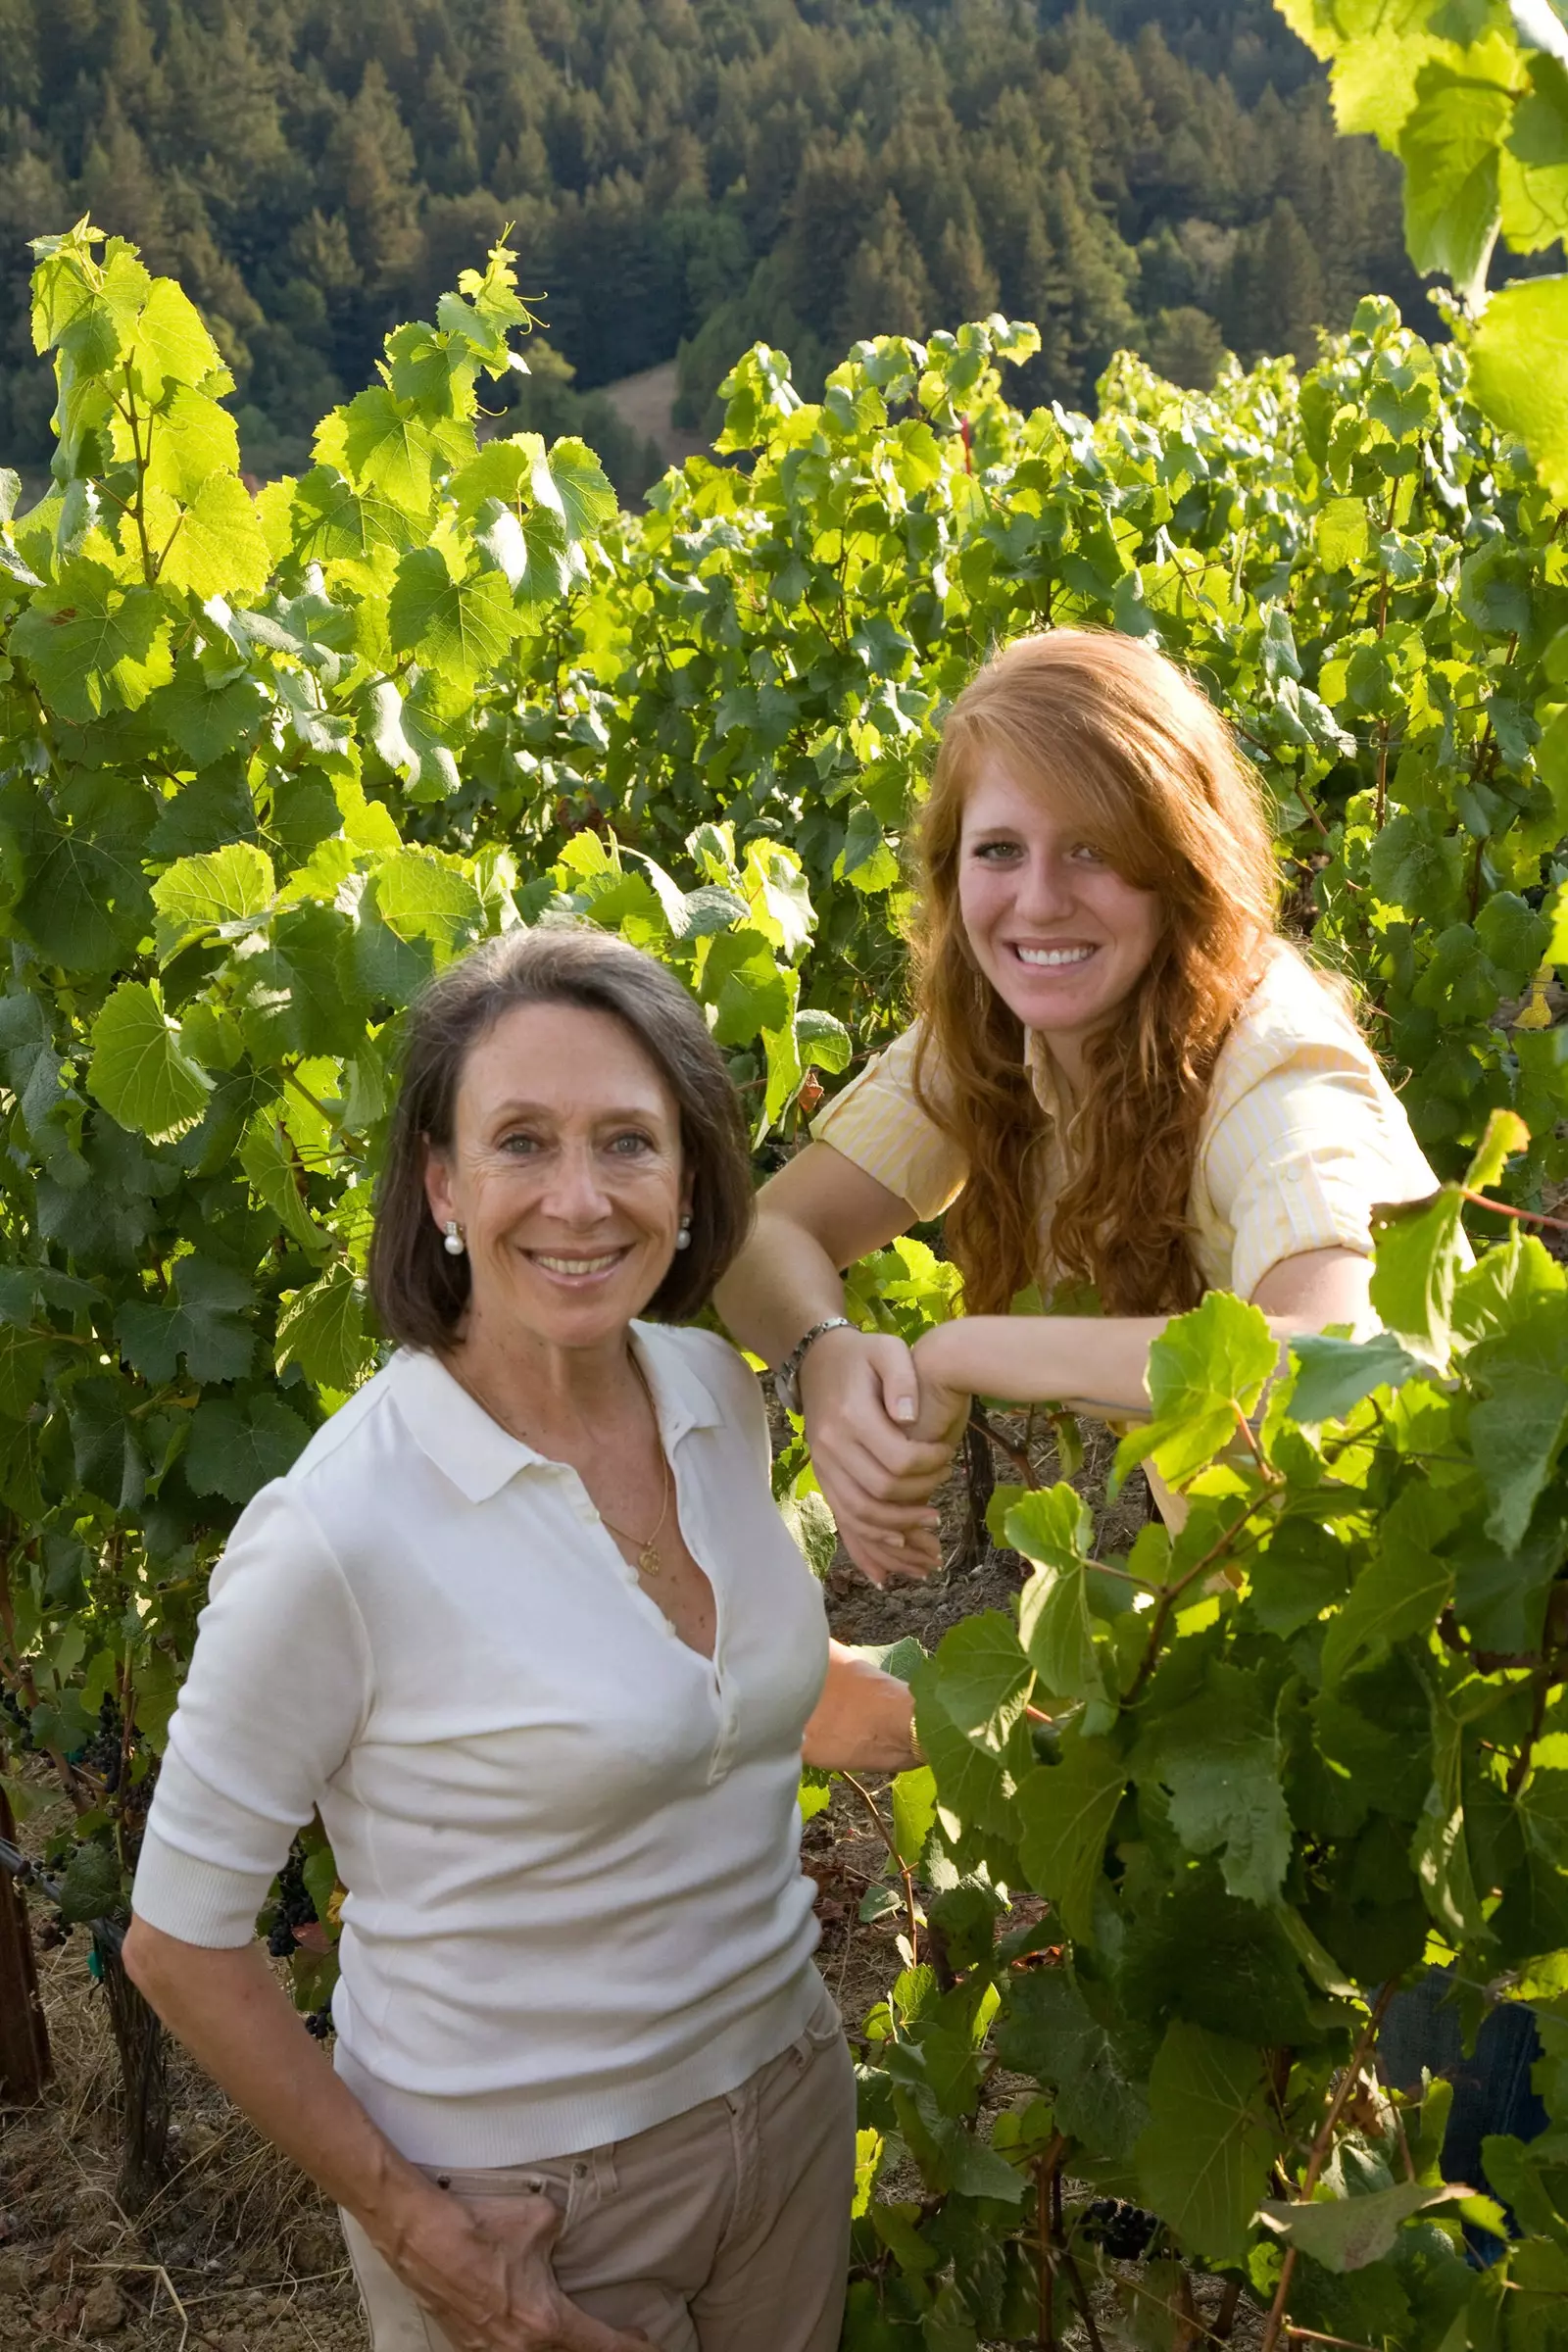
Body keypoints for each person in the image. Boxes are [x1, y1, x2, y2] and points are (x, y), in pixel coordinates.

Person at [122, 924, 918, 2352]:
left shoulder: (716, 1393)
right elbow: (178, 1945)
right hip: (529, 2204)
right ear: (440, 1182)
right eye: (522, 1143)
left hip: (790, 2108)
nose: (578, 1198)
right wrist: (425, 2236)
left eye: (628, 1142)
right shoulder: (340, 1534)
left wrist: (1071, 1705)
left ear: (690, 1183)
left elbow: (735, 1703)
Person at [713, 625, 1443, 1570]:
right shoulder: (992, 1037)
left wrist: (964, 1354)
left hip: (1440, 1614)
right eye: (1001, 850)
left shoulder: (1276, 1065)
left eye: (1093, 849)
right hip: (1260, 1603)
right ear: (951, 870)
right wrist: (824, 1353)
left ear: (1182, 865)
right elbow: (764, 1235)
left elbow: (1334, 1367)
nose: (1040, 900)